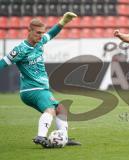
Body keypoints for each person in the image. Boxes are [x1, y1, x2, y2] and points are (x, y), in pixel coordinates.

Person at [0, 12, 80, 148]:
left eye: (42, 32)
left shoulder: (40, 41)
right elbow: (3, 63)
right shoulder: (20, 50)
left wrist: (63, 22)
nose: (41, 35)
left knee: (61, 109)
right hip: (32, 90)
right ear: (29, 31)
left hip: (41, 89)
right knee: (51, 109)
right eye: (37, 33)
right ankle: (41, 137)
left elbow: (52, 34)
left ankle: (63, 137)